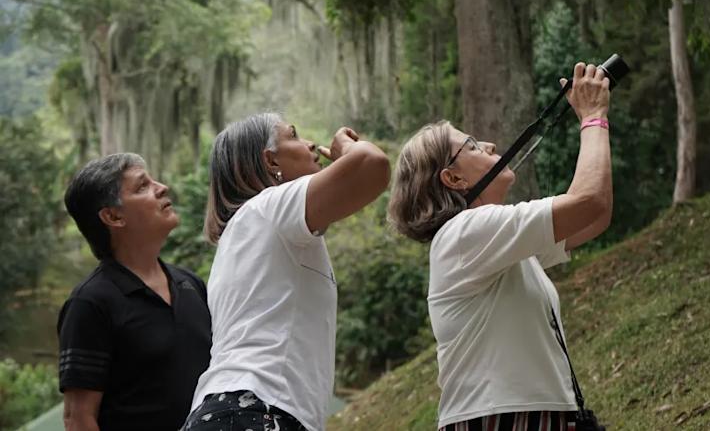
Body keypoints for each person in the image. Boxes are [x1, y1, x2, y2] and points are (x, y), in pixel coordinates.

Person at [388, 62, 612, 431]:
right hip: (497, 418)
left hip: (534, 415)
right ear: (453, 178)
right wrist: (593, 118)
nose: (490, 145)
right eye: (472, 145)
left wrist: (594, 120)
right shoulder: (464, 234)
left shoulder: (495, 244)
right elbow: (590, 202)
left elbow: (594, 216)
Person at [185, 113, 390, 431]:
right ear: (270, 161)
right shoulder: (268, 208)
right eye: (294, 136)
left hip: (234, 410)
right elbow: (371, 165)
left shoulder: (248, 230)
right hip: (255, 408)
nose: (310, 144)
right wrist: (346, 147)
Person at [58, 153, 212, 431]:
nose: (162, 187)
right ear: (113, 216)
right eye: (142, 186)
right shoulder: (90, 303)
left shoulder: (190, 284)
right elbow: (78, 418)